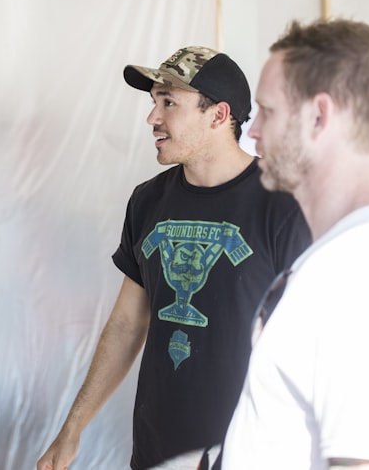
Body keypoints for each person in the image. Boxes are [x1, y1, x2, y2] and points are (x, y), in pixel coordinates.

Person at [37, 47, 311, 470]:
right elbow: (128, 324)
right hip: (157, 453)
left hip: (252, 452)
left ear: (219, 116)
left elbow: (317, 341)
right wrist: (72, 429)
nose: (153, 118)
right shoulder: (148, 201)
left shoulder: (283, 204)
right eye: (154, 102)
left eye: (169, 103)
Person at [219, 19, 369, 469]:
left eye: (267, 111)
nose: (252, 131)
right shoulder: (351, 256)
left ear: (318, 117)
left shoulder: (366, 271)